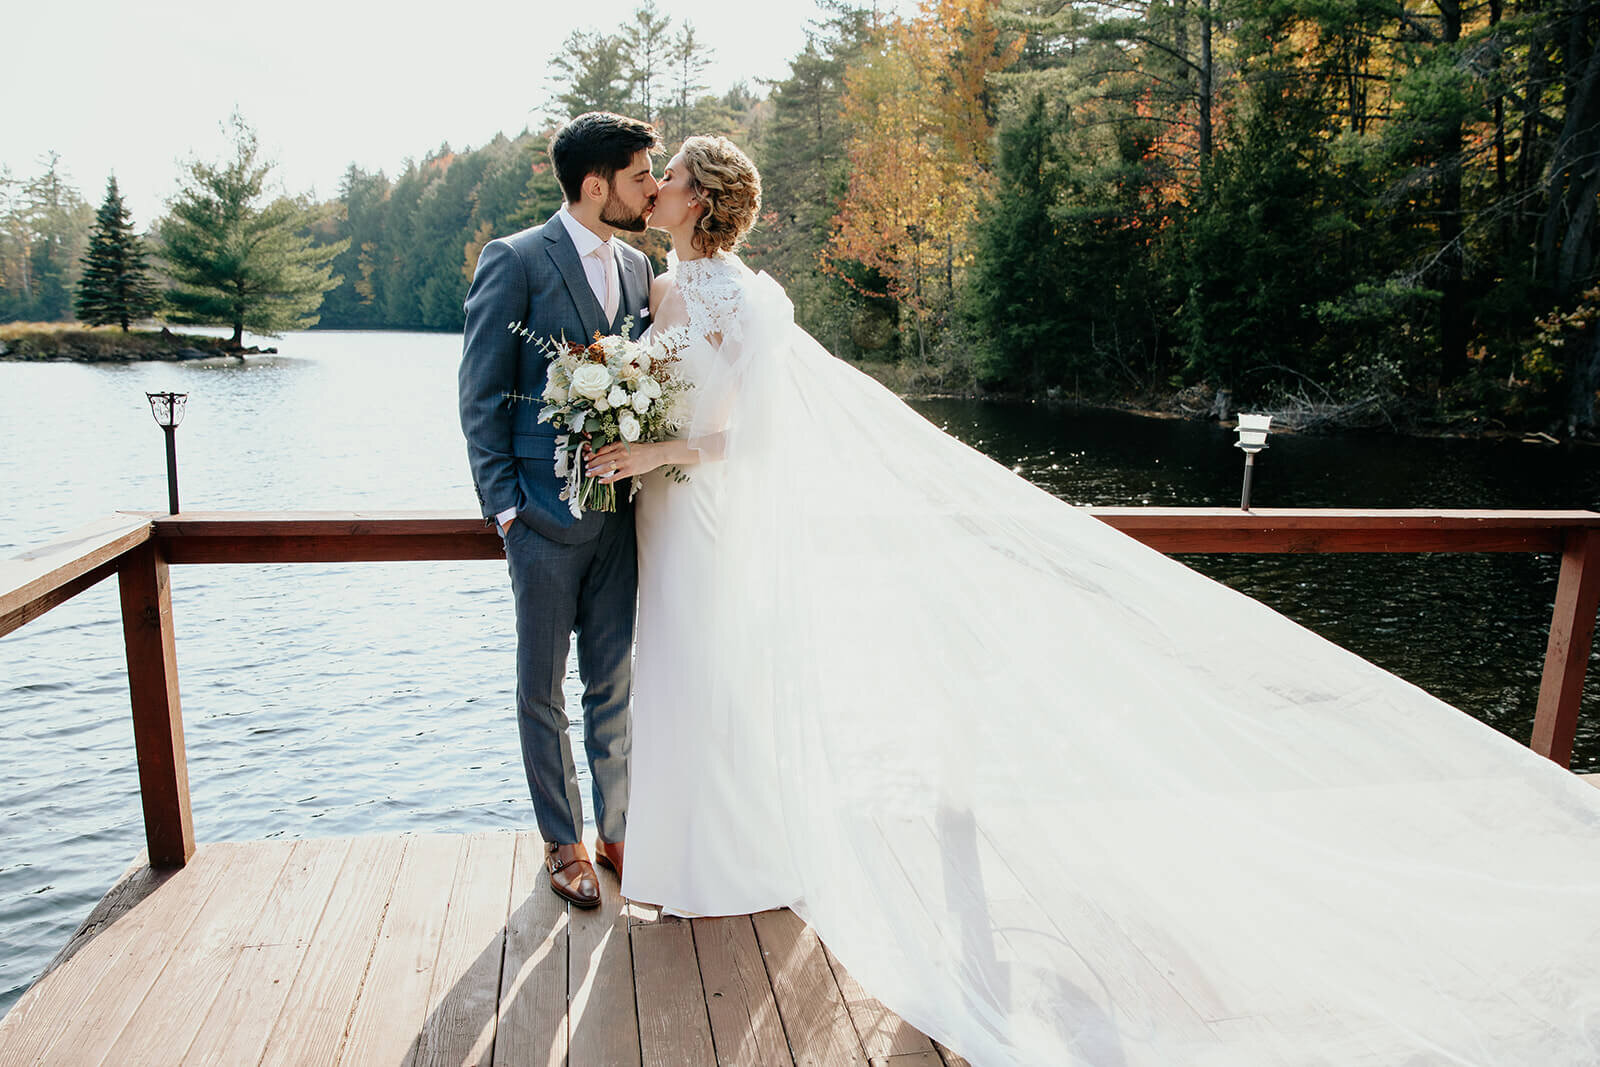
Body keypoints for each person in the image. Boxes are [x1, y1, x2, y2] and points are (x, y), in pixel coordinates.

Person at [587, 135, 1600, 1065]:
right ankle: (721, 854)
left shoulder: (700, 298)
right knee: (702, 675)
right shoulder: (732, 292)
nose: (656, 184)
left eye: (669, 173)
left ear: (699, 197)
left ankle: (716, 865)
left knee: (700, 671)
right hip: (685, 512)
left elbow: (741, 436)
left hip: (694, 504)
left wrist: (647, 444)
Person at [458, 112, 659, 908]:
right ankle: (562, 841)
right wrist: (505, 509)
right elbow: (479, 396)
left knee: (613, 683)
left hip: (621, 521)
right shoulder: (515, 259)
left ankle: (617, 830)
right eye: (641, 175)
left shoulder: (642, 272)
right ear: (595, 184)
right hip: (541, 520)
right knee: (540, 690)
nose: (652, 187)